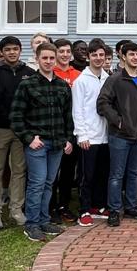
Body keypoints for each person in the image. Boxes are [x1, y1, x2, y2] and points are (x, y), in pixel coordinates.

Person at [11, 42, 74, 242]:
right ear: (37, 59)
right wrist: (29, 138)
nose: (48, 61)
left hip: (57, 144)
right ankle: (32, 224)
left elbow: (67, 116)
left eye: (51, 58)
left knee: (49, 183)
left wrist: (68, 139)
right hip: (38, 143)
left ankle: (44, 220)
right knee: (37, 183)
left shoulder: (62, 85)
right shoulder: (27, 85)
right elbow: (16, 116)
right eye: (44, 58)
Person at [97, 42, 137, 227]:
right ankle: (114, 210)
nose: (135, 58)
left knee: (134, 173)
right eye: (131, 54)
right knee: (116, 175)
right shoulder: (115, 79)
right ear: (123, 56)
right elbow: (103, 103)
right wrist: (118, 120)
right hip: (120, 136)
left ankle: (131, 206)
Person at [0, 36, 36, 229]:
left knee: (19, 170)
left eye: (15, 49)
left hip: (21, 131)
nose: (12, 52)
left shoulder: (29, 73)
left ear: (20, 50)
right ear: (2, 52)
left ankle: (16, 209)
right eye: (7, 49)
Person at [72, 39, 110, 227]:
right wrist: (82, 135)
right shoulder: (81, 80)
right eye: (94, 55)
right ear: (88, 57)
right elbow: (77, 110)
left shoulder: (108, 78)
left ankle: (99, 206)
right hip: (89, 137)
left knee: (102, 173)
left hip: (105, 136)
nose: (98, 58)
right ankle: (84, 209)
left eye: (101, 55)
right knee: (87, 176)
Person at [50, 39, 81, 224]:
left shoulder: (78, 75)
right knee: (53, 172)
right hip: (54, 129)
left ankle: (64, 205)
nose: (65, 54)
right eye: (61, 51)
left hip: (73, 129)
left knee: (68, 171)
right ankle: (51, 206)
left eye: (67, 51)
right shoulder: (51, 73)